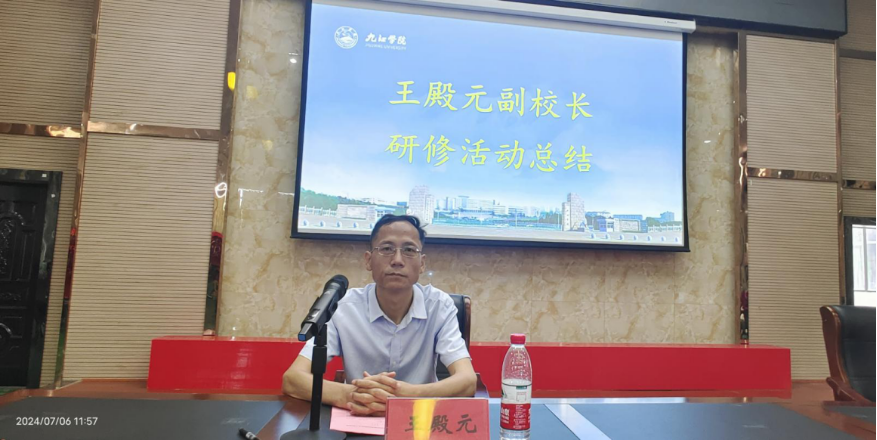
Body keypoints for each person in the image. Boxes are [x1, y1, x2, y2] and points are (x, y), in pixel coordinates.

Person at [282, 214, 477, 416]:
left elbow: (467, 380)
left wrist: (407, 395)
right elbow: (293, 379)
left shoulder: (439, 306)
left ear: (422, 264)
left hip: (419, 420)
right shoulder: (343, 307)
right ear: (369, 260)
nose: (397, 260)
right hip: (358, 415)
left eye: (409, 250)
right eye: (386, 249)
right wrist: (351, 395)